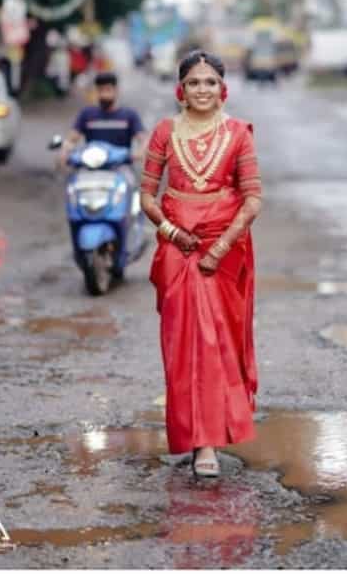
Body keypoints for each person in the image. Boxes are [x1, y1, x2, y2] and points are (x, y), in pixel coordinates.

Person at [139, 49, 263, 478]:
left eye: (210, 82)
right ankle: (193, 437)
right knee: (181, 348)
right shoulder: (164, 133)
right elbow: (147, 197)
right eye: (194, 82)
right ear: (181, 90)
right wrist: (174, 234)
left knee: (216, 348)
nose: (202, 90)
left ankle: (207, 445)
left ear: (223, 88)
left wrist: (220, 247)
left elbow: (253, 199)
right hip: (177, 250)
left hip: (222, 254)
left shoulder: (238, 135)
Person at [55, 72, 146, 170]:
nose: (104, 94)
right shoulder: (87, 114)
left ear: (116, 91)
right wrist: (64, 151)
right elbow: (71, 139)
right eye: (100, 90)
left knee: (131, 182)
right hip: (91, 166)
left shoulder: (129, 115)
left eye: (108, 90)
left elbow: (143, 139)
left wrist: (140, 152)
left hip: (121, 167)